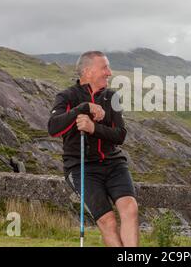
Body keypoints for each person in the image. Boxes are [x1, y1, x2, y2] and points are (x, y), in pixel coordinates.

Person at [48, 51, 139, 247]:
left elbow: (120, 135)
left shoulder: (111, 96)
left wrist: (93, 128)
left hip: (114, 164)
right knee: (107, 221)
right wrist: (82, 108)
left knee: (129, 209)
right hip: (81, 167)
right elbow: (53, 128)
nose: (110, 72)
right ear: (88, 71)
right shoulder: (66, 96)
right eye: (105, 67)